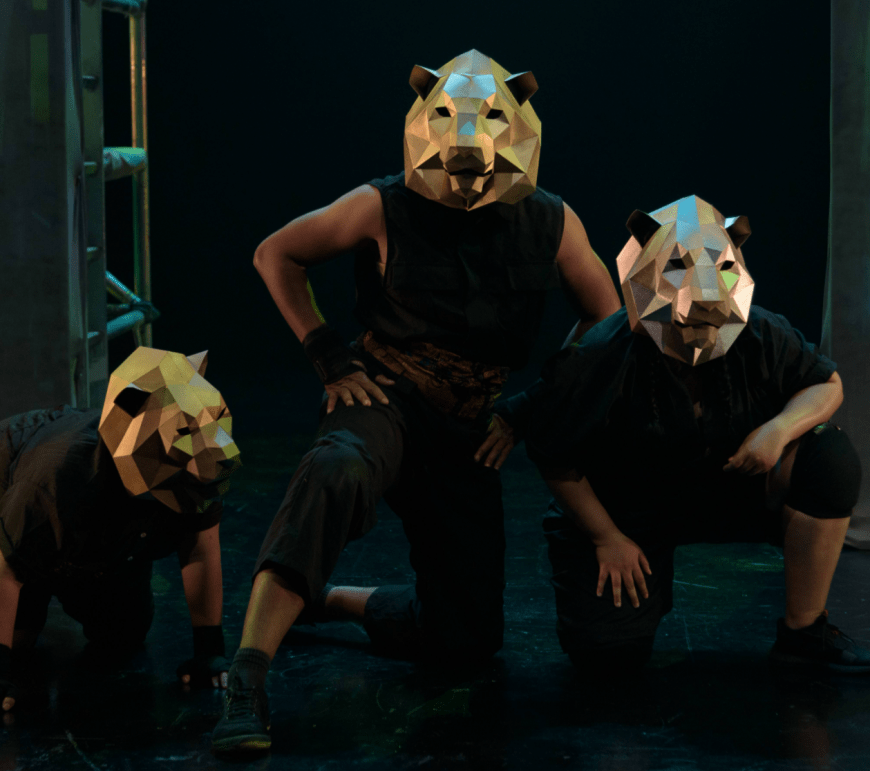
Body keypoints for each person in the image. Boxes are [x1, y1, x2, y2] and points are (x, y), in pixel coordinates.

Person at [211, 49, 621, 753]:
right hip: (385, 395)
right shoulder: (381, 206)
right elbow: (275, 253)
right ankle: (245, 677)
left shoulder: (552, 222)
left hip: (470, 426)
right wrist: (328, 356)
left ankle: (327, 601)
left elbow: (606, 320)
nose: (468, 151)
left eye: (490, 121)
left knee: (466, 641)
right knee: (336, 468)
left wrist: (529, 404)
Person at [520, 195, 866, 673]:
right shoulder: (604, 351)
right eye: (678, 268)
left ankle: (803, 630)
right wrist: (606, 537)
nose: (704, 293)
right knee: (606, 655)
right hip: (630, 512)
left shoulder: (761, 332)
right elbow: (555, 455)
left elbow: (827, 384)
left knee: (829, 456)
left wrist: (778, 429)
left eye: (720, 268)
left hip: (731, 486)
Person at [0, 347, 241, 712]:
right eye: (186, 431)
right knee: (17, 642)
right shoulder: (57, 477)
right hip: (18, 523)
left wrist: (209, 650)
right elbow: (6, 567)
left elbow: (200, 545)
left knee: (123, 634)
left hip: (101, 541)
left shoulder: (194, 472)